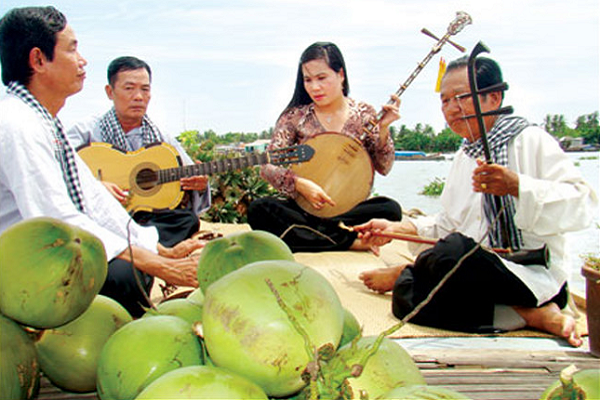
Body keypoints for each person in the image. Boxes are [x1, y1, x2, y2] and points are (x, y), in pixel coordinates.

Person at [355, 55, 598, 347]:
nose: (451, 109)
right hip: (470, 271)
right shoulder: (465, 154)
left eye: (461, 98)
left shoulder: (529, 139)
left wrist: (517, 186)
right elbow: (448, 224)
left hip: (529, 274)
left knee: (446, 255)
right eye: (444, 101)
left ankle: (532, 304)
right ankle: (530, 316)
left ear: (493, 97)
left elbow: (582, 203)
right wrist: (397, 228)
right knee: (406, 295)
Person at [0, 6, 204, 318]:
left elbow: (95, 201)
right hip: (25, 267)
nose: (82, 61)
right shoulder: (17, 123)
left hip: (61, 249)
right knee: (126, 277)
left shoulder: (44, 120)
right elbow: (58, 222)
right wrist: (161, 266)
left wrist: (159, 251)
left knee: (141, 258)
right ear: (39, 60)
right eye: (72, 49)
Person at [247, 41, 402, 252]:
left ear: (340, 75)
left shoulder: (364, 113)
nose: (314, 87)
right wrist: (300, 184)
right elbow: (267, 166)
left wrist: (383, 129)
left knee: (390, 210)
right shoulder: (295, 117)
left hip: (348, 209)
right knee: (260, 209)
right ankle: (349, 240)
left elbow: (384, 167)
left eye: (322, 78)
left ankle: (317, 235)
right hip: (304, 209)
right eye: (308, 80)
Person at [67, 56, 211, 247]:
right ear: (110, 92)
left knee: (187, 220)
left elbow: (189, 171)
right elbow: (55, 165)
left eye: (145, 89)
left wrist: (200, 185)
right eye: (129, 88)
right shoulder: (85, 131)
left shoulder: (161, 136)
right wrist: (95, 185)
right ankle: (145, 249)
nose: (138, 97)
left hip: (148, 218)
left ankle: (137, 247)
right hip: (104, 217)